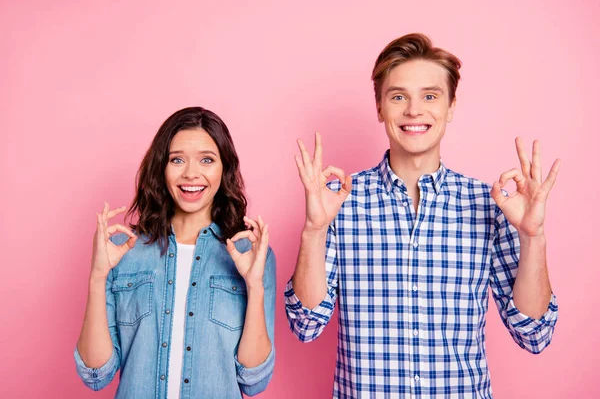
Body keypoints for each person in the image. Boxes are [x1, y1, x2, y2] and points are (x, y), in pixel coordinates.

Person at [285, 33, 560, 398]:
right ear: (380, 107)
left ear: (451, 107)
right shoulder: (339, 202)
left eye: (430, 96)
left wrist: (532, 236)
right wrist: (315, 229)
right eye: (398, 96)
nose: (414, 110)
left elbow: (534, 333)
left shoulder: (489, 204)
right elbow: (306, 325)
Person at [75, 107, 276, 398]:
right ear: (162, 168)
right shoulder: (125, 253)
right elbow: (96, 374)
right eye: (177, 159)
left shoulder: (253, 255)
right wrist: (97, 276)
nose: (191, 173)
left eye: (207, 160)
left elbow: (253, 380)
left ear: (225, 168)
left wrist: (254, 286)